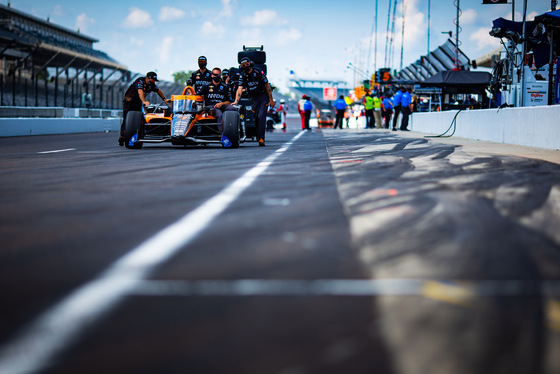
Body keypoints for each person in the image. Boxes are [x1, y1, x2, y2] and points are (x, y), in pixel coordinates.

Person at [119, 71, 170, 146]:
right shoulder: (140, 81)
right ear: (147, 78)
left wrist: (164, 99)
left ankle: (140, 133)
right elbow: (140, 91)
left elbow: (158, 90)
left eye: (154, 81)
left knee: (140, 119)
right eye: (152, 80)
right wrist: (144, 101)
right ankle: (123, 136)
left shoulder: (152, 85)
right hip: (129, 102)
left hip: (138, 103)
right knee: (127, 119)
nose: (153, 82)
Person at [232, 57, 275, 146]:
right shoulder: (242, 75)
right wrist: (236, 101)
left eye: (247, 64)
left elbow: (267, 85)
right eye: (243, 65)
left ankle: (261, 138)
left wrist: (271, 99)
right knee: (255, 119)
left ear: (250, 63)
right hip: (253, 98)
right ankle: (258, 135)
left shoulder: (259, 72)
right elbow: (239, 89)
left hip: (263, 97)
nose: (246, 66)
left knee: (261, 116)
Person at [198, 67, 236, 132]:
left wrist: (221, 103)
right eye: (215, 75)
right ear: (212, 75)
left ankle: (233, 131)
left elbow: (229, 101)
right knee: (219, 114)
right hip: (211, 106)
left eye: (218, 75)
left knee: (232, 109)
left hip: (222, 105)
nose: (217, 76)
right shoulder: (206, 86)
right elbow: (196, 95)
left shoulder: (225, 87)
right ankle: (222, 134)